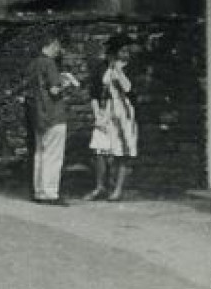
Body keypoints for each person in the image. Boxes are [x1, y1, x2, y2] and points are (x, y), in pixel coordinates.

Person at [24, 34, 78, 206]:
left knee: (40, 152)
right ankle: (51, 192)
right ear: (52, 44)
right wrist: (68, 83)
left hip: (37, 114)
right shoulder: (49, 63)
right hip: (53, 113)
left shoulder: (33, 64)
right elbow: (55, 90)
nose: (59, 50)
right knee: (54, 154)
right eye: (58, 46)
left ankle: (39, 191)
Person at [85, 36, 138, 202]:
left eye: (127, 51)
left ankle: (117, 189)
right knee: (99, 149)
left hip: (123, 112)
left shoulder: (131, 68)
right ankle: (100, 186)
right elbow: (94, 93)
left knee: (122, 151)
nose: (125, 54)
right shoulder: (100, 68)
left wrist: (119, 71)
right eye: (122, 51)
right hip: (105, 111)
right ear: (113, 53)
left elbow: (129, 89)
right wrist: (97, 115)